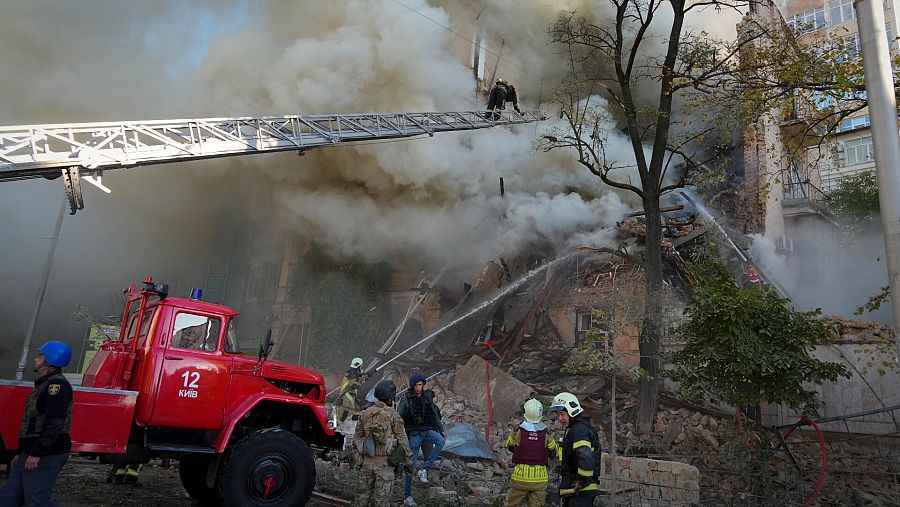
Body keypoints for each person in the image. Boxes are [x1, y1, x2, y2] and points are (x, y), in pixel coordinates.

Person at [0, 341, 74, 507]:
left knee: (37, 500)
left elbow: (55, 423)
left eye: (40, 355)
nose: (35, 359)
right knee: (8, 498)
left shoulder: (57, 387)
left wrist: (37, 453)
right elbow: (32, 423)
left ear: (51, 360)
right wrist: (20, 452)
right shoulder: (44, 385)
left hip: (47, 453)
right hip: (31, 451)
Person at [352, 379, 411, 507]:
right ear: (390, 398)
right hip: (385, 466)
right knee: (382, 503)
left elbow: (355, 440)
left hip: (366, 464)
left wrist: (360, 461)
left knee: (360, 500)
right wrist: (408, 462)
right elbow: (403, 441)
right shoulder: (393, 415)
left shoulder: (364, 414)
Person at [397, 373, 445, 507]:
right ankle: (407, 496)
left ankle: (424, 469)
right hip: (413, 434)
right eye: (416, 385)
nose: (418, 388)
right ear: (412, 386)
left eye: (420, 385)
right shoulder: (406, 399)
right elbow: (397, 418)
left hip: (426, 431)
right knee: (410, 465)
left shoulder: (427, 397)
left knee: (440, 441)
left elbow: (435, 415)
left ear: (423, 385)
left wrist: (442, 430)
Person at [547, 392, 601, 507]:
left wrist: (581, 481)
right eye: (558, 415)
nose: (560, 419)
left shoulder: (579, 430)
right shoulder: (578, 429)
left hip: (580, 491)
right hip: (577, 490)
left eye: (562, 414)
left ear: (572, 411)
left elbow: (585, 457)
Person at [504, 399, 558, 507]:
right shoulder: (546, 432)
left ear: (525, 414)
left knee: (512, 504)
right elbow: (553, 452)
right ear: (540, 414)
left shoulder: (518, 429)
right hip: (540, 480)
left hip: (520, 478)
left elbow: (509, 446)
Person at [336, 357, 365, 422]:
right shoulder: (353, 373)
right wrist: (363, 381)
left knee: (358, 408)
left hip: (351, 394)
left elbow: (359, 376)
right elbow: (353, 385)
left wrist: (364, 375)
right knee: (344, 412)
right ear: (358, 366)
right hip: (348, 395)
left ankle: (354, 423)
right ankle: (336, 426)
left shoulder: (352, 372)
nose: (362, 367)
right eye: (361, 366)